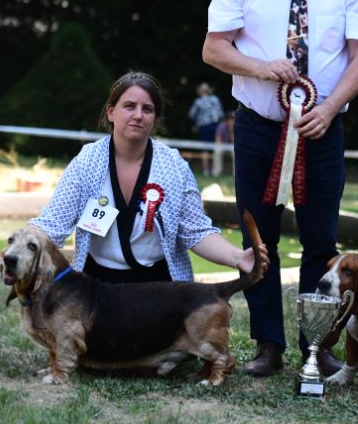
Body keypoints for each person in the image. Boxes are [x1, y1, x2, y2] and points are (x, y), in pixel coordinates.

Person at [202, 0, 358, 377]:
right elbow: (213, 50)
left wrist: (330, 108)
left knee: (321, 241)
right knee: (259, 239)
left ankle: (317, 345)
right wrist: (261, 68)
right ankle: (268, 346)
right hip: (259, 128)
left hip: (323, 129)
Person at [28, 71, 267, 284]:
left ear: (155, 119)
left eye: (147, 109)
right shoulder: (88, 160)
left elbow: (196, 232)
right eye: (129, 106)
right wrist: (17, 247)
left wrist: (237, 257)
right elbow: (52, 224)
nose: (138, 115)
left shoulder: (174, 166)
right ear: (111, 112)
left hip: (158, 287)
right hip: (95, 286)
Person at [188, 82, 224, 175]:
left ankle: (206, 170)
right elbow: (221, 114)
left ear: (200, 91)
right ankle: (216, 170)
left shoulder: (198, 102)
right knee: (216, 147)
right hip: (216, 126)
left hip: (204, 127)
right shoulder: (215, 99)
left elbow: (191, 114)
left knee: (204, 148)